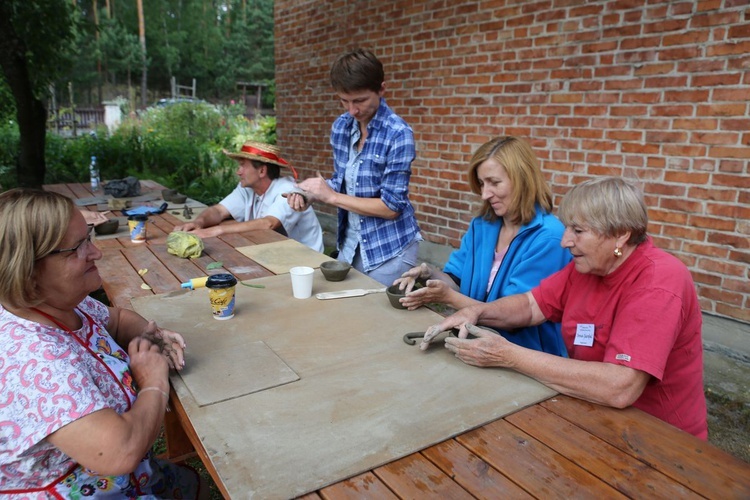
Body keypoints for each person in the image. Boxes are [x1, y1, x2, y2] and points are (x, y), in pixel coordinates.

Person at [421, 177, 707, 439]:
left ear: (620, 235)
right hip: (592, 414)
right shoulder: (587, 267)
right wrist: (478, 312)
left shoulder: (659, 282)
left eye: (578, 231)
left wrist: (508, 355)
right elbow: (531, 305)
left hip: (659, 437)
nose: (565, 241)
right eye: (568, 227)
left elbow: (619, 386)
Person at [0, 189, 205, 497]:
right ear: (27, 270)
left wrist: (152, 335)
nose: (95, 253)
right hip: (78, 487)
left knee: (191, 484)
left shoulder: (57, 304)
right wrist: (152, 383)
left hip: (121, 476)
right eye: (77, 248)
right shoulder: (35, 358)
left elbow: (118, 319)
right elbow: (119, 453)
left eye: (89, 238)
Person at [393, 136, 571, 356]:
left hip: (524, 355)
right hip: (473, 343)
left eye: (494, 183)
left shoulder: (549, 238)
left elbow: (516, 317)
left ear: (523, 179)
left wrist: (447, 297)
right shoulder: (483, 226)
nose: (485, 194)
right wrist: (429, 274)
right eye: (482, 183)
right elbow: (456, 279)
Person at [287, 48, 421, 285]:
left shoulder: (398, 134)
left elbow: (392, 207)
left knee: (379, 320)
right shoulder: (341, 126)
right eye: (344, 100)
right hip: (350, 245)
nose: (352, 110)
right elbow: (344, 182)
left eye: (359, 100)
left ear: (381, 89)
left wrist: (331, 197)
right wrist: (310, 193)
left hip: (389, 250)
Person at [175, 141, 324, 252]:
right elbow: (219, 211)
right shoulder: (246, 189)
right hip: (273, 252)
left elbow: (268, 223)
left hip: (305, 262)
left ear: (262, 171)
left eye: (242, 165)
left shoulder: (288, 190)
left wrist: (216, 230)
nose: (238, 172)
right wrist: (199, 222)